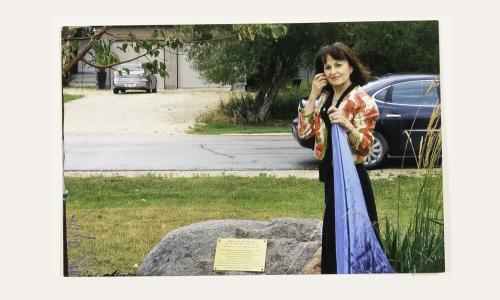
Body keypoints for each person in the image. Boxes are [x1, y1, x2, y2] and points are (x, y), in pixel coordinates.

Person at [297, 42, 382, 274]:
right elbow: (305, 134)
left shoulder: (362, 100)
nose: (333, 71)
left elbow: (365, 146)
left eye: (338, 65)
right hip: (331, 176)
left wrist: (346, 125)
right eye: (327, 67)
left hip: (353, 177)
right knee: (334, 233)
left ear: (351, 67)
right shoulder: (324, 99)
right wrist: (313, 96)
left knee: (358, 231)